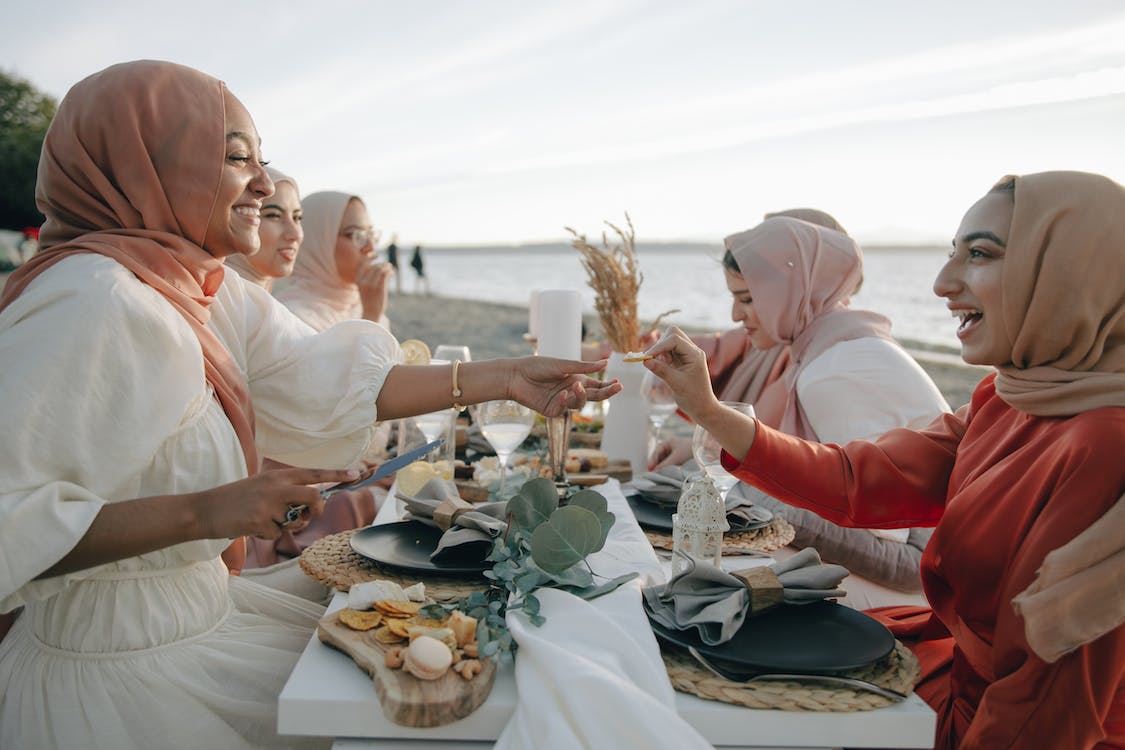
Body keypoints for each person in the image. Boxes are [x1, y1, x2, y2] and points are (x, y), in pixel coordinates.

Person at [0, 60, 618, 749]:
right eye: (235, 158)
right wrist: (206, 510)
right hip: (119, 682)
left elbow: (322, 373)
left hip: (204, 617)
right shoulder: (96, 299)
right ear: (146, 166)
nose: (263, 186)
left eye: (264, 161)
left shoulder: (196, 288)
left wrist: (508, 378)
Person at [645, 171, 1125, 749]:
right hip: (945, 667)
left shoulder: (1105, 448)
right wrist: (709, 411)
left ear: (1068, 271)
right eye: (952, 254)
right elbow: (859, 478)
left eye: (980, 254)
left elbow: (1046, 710)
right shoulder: (1007, 397)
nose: (942, 284)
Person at [662, 215, 951, 607]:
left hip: (919, 582)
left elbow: (887, 546)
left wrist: (738, 484)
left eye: (748, 299)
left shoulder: (836, 370)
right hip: (915, 560)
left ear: (792, 294)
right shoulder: (832, 344)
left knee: (704, 561)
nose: (734, 316)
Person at [224, 168, 381, 584]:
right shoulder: (275, 312)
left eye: (300, 219)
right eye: (273, 214)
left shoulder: (264, 304)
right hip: (264, 522)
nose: (296, 234)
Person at [273, 191, 395, 331]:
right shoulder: (293, 317)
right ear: (318, 242)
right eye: (355, 235)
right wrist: (370, 318)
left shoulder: (360, 304)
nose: (370, 247)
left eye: (370, 234)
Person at [225, 165, 302, 292]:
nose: (295, 234)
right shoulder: (213, 302)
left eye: (297, 218)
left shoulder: (267, 307)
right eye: (274, 215)